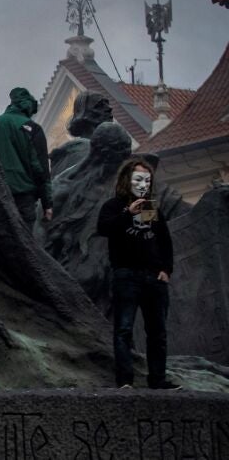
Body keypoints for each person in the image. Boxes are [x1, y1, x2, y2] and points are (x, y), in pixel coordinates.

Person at [95, 157, 179, 389]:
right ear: (127, 180)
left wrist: (166, 269)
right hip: (126, 275)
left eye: (147, 181)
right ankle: (125, 381)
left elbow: (159, 239)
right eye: (139, 179)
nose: (143, 185)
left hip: (153, 277)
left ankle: (158, 380)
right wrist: (127, 213)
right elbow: (104, 229)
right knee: (124, 329)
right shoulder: (113, 206)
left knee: (157, 332)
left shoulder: (150, 208)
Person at [0, 87, 53, 228]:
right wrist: (47, 204)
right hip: (23, 198)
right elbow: (41, 169)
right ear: (28, 107)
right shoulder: (32, 128)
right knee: (24, 237)